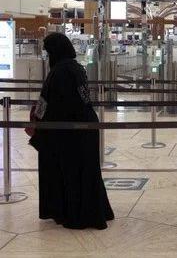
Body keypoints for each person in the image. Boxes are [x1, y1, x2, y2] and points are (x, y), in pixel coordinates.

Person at [28, 32, 114, 230]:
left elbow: (51, 102)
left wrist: (39, 123)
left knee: (71, 172)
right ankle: (94, 210)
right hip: (84, 127)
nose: (47, 57)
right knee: (87, 172)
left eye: (48, 53)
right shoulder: (75, 68)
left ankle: (75, 214)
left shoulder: (59, 72)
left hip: (68, 131)